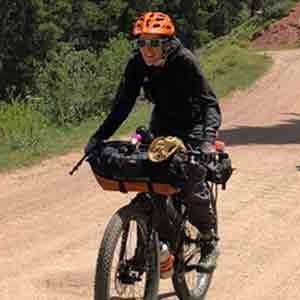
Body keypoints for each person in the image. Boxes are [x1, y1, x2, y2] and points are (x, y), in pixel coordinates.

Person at [84, 12, 221, 272]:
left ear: (168, 44)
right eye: (143, 42)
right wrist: (98, 137)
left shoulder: (185, 62)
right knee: (150, 180)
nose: (148, 49)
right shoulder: (136, 64)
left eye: (155, 43)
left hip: (193, 125)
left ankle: (208, 239)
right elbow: (122, 106)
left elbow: (210, 104)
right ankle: (150, 249)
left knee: (192, 178)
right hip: (162, 124)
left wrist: (207, 141)